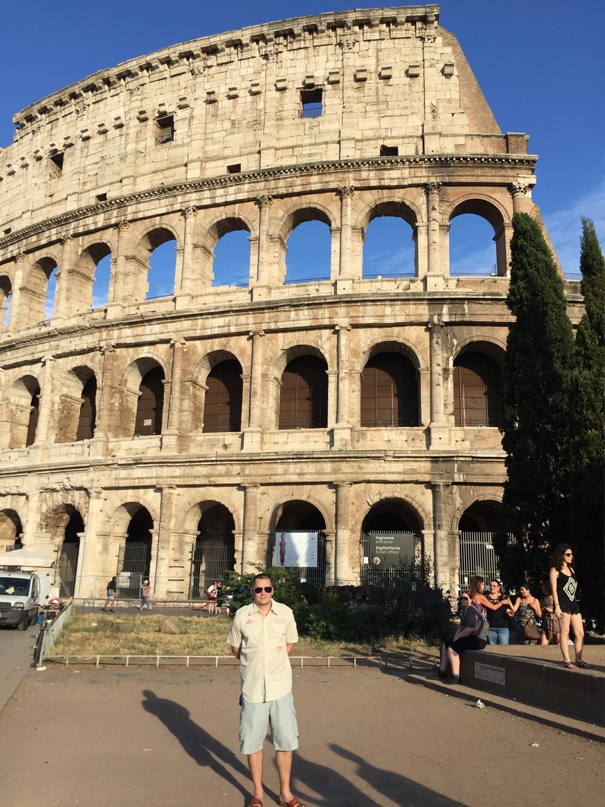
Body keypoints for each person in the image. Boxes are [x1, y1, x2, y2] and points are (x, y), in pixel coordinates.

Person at [228, 573, 306, 807]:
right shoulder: (242, 615)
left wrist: (274, 663)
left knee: (284, 741)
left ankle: (285, 793)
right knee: (253, 743)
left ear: (273, 590)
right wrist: (254, 664)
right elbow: (235, 647)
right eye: (259, 589)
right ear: (251, 591)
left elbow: (290, 643)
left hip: (280, 687)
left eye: (267, 589)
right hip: (252, 690)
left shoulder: (285, 613)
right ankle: (258, 794)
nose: (263, 593)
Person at [549, 544, 589, 669]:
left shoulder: (571, 570)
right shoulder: (555, 570)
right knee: (565, 633)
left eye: (571, 554)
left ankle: (579, 659)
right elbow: (554, 590)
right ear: (561, 555)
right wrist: (557, 606)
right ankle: (567, 660)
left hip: (573, 603)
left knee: (580, 633)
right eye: (568, 554)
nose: (571, 556)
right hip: (562, 604)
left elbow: (575, 584)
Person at [438, 587, 488, 683]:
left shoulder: (472, 610)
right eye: (461, 598)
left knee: (452, 649)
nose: (463, 600)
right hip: (470, 636)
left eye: (466, 598)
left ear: (471, 600)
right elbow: (461, 627)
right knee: (446, 645)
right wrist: (456, 638)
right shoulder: (464, 610)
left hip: (478, 639)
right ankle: (442, 671)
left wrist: (458, 638)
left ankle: (456, 677)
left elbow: (470, 628)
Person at [485, 579, 510, 645]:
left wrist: (509, 611)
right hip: (491, 627)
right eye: (491, 586)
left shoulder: (504, 597)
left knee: (504, 650)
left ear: (499, 587)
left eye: (494, 586)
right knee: (492, 650)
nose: (492, 587)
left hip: (503, 627)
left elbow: (508, 609)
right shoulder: (486, 597)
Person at [540, 580, 560, 646]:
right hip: (546, 621)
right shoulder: (545, 598)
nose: (543, 588)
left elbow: (561, 609)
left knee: (556, 642)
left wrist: (551, 610)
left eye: (544, 587)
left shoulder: (556, 598)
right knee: (543, 644)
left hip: (555, 621)